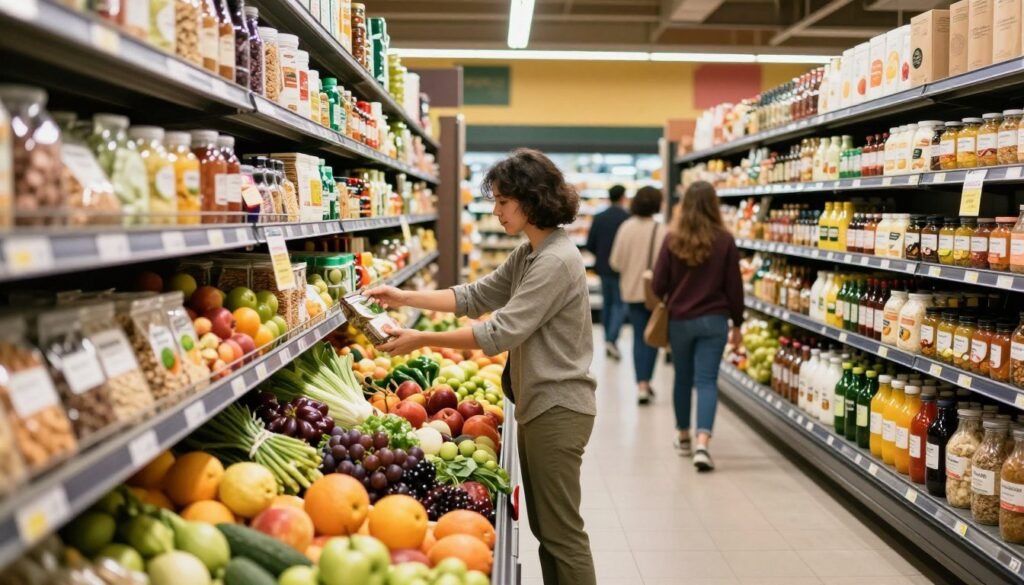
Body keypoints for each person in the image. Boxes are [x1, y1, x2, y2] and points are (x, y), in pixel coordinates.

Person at [366, 149, 598, 585]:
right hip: (537, 403)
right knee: (547, 531)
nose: (496, 211)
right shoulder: (531, 251)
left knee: (562, 535)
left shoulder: (554, 261)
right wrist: (404, 297)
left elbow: (499, 333)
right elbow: (475, 297)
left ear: (531, 200)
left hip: (558, 408)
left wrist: (421, 339)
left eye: (503, 202)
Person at [651, 181, 743, 471]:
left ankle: (683, 436)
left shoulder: (672, 239)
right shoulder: (725, 240)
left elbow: (657, 284)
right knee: (706, 381)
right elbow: (734, 287)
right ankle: (703, 444)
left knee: (682, 378)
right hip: (715, 320)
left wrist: (672, 294)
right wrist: (737, 323)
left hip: (680, 320)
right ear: (714, 205)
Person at [609, 186, 666, 405]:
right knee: (651, 337)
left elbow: (615, 262)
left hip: (631, 291)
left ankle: (641, 384)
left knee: (638, 337)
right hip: (655, 293)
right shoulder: (662, 229)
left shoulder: (626, 227)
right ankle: (646, 381)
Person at [585, 184, 629, 360]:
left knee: (607, 303)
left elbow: (590, 244)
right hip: (621, 268)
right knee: (620, 304)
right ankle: (612, 339)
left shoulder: (599, 217)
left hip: (603, 267)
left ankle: (607, 339)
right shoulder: (627, 218)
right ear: (623, 197)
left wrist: (601, 255)